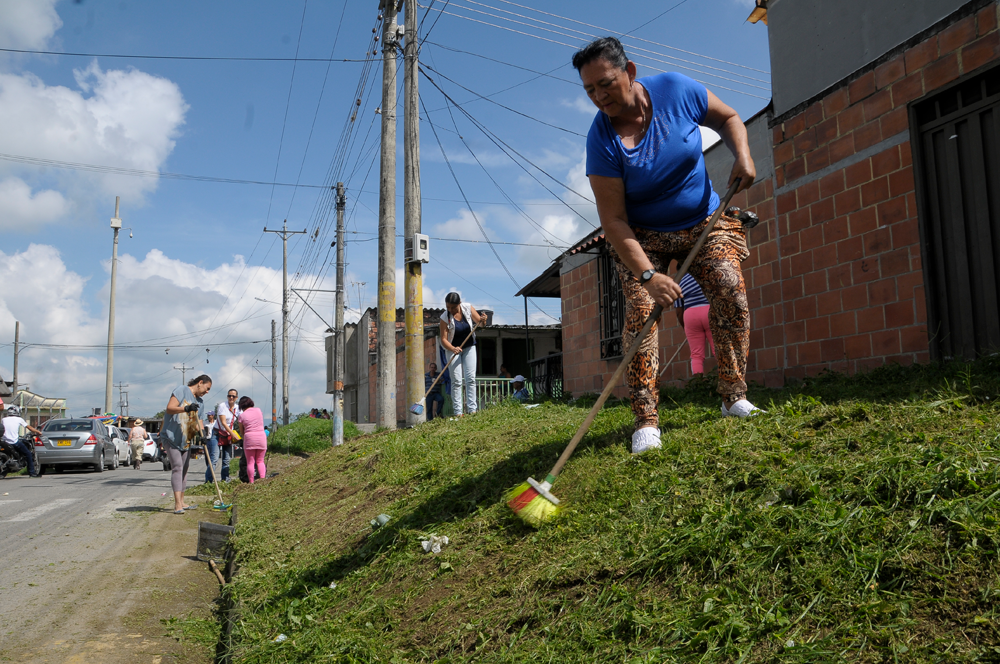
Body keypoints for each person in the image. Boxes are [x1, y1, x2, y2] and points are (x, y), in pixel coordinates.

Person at [574, 37, 764, 454]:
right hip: (641, 238)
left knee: (730, 289)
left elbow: (729, 117)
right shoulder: (601, 142)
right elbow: (614, 220)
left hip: (703, 221)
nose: (598, 96)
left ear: (630, 72)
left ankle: (734, 396)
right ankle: (646, 420)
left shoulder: (677, 90)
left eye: (605, 83)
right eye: (589, 90)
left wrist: (743, 155)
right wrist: (648, 275)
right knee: (643, 313)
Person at [162, 375, 211, 513]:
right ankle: (177, 504)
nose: (207, 392)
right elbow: (170, 408)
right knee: (177, 467)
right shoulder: (182, 390)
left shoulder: (200, 402)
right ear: (200, 383)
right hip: (171, 436)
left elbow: (198, 422)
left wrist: (202, 435)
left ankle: (182, 502)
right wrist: (186, 408)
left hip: (185, 439)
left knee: (184, 469)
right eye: (207, 388)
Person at [439, 292, 484, 417]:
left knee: (470, 378)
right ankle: (458, 412)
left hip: (469, 347)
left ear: (459, 304)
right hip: (452, 349)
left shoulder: (467, 308)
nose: (451, 310)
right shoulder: (444, 317)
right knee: (457, 381)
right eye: (448, 307)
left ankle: (472, 410)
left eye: (453, 307)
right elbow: (443, 339)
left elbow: (480, 323)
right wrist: (453, 348)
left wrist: (483, 320)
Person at [674, 273, 715, 375]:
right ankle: (728, 381)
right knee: (718, 349)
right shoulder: (705, 273)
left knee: (696, 355)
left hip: (690, 315)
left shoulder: (679, 281)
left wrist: (686, 328)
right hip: (709, 310)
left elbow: (679, 311)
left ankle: (698, 386)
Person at [1, 405, 41, 477]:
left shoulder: (3, 419)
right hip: (14, 442)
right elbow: (30, 428)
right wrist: (38, 432)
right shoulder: (19, 419)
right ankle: (32, 473)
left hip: (4, 442)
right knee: (28, 454)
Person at [237, 396, 267, 484]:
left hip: (249, 438)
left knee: (250, 462)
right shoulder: (258, 410)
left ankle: (251, 482)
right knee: (260, 461)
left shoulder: (241, 416)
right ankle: (262, 480)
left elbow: (242, 432)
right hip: (261, 437)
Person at [214, 388, 241, 483]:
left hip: (228, 435)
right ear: (227, 396)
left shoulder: (238, 408)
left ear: (236, 397)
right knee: (214, 459)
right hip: (218, 433)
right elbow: (224, 423)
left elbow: (242, 418)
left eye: (233, 396)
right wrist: (233, 434)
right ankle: (209, 480)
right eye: (229, 395)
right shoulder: (222, 406)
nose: (231, 397)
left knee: (226, 459)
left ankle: (224, 479)